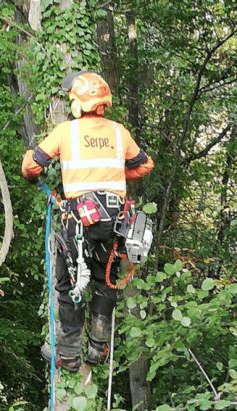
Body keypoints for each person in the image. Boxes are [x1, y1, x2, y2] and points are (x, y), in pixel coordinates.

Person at [21, 71, 154, 371]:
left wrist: (29, 167)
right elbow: (145, 164)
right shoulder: (119, 132)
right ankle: (98, 345)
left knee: (68, 277)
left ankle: (68, 350)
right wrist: (115, 176)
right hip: (113, 219)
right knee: (105, 278)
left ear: (78, 104)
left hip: (78, 219)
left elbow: (33, 165)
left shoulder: (66, 132)